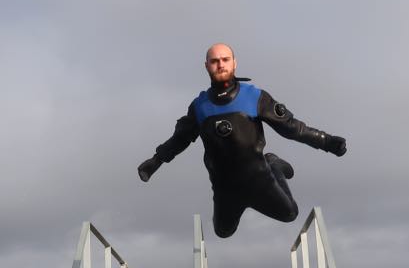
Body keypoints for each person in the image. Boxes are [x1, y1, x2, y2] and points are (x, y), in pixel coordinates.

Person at [137, 43, 347, 238]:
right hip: (225, 188)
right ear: (206, 66)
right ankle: (249, 187)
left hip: (260, 180)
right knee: (223, 232)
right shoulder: (199, 107)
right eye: (214, 61)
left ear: (234, 63)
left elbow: (293, 129)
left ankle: (273, 163)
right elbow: (179, 140)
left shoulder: (254, 97)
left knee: (290, 214)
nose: (220, 64)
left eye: (225, 59)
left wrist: (328, 142)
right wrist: (155, 162)